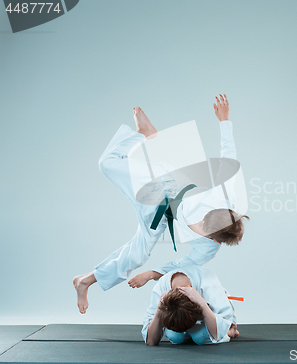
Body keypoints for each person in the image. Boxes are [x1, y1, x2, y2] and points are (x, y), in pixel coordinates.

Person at [73, 94, 249, 314]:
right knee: (107, 164)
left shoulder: (208, 249)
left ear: (215, 238)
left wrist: (150, 274)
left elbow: (181, 266)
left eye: (205, 226)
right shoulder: (223, 196)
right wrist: (224, 120)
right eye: (206, 217)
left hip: (160, 218)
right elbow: (229, 156)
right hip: (165, 184)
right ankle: (143, 135)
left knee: (138, 255)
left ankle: (86, 281)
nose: (201, 220)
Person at [143, 265, 239, 345]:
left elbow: (221, 326)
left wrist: (202, 303)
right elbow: (150, 341)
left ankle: (229, 332)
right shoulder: (160, 288)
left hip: (209, 316)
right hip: (182, 317)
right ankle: (184, 332)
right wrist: (160, 309)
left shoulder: (208, 283)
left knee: (200, 337)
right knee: (175, 337)